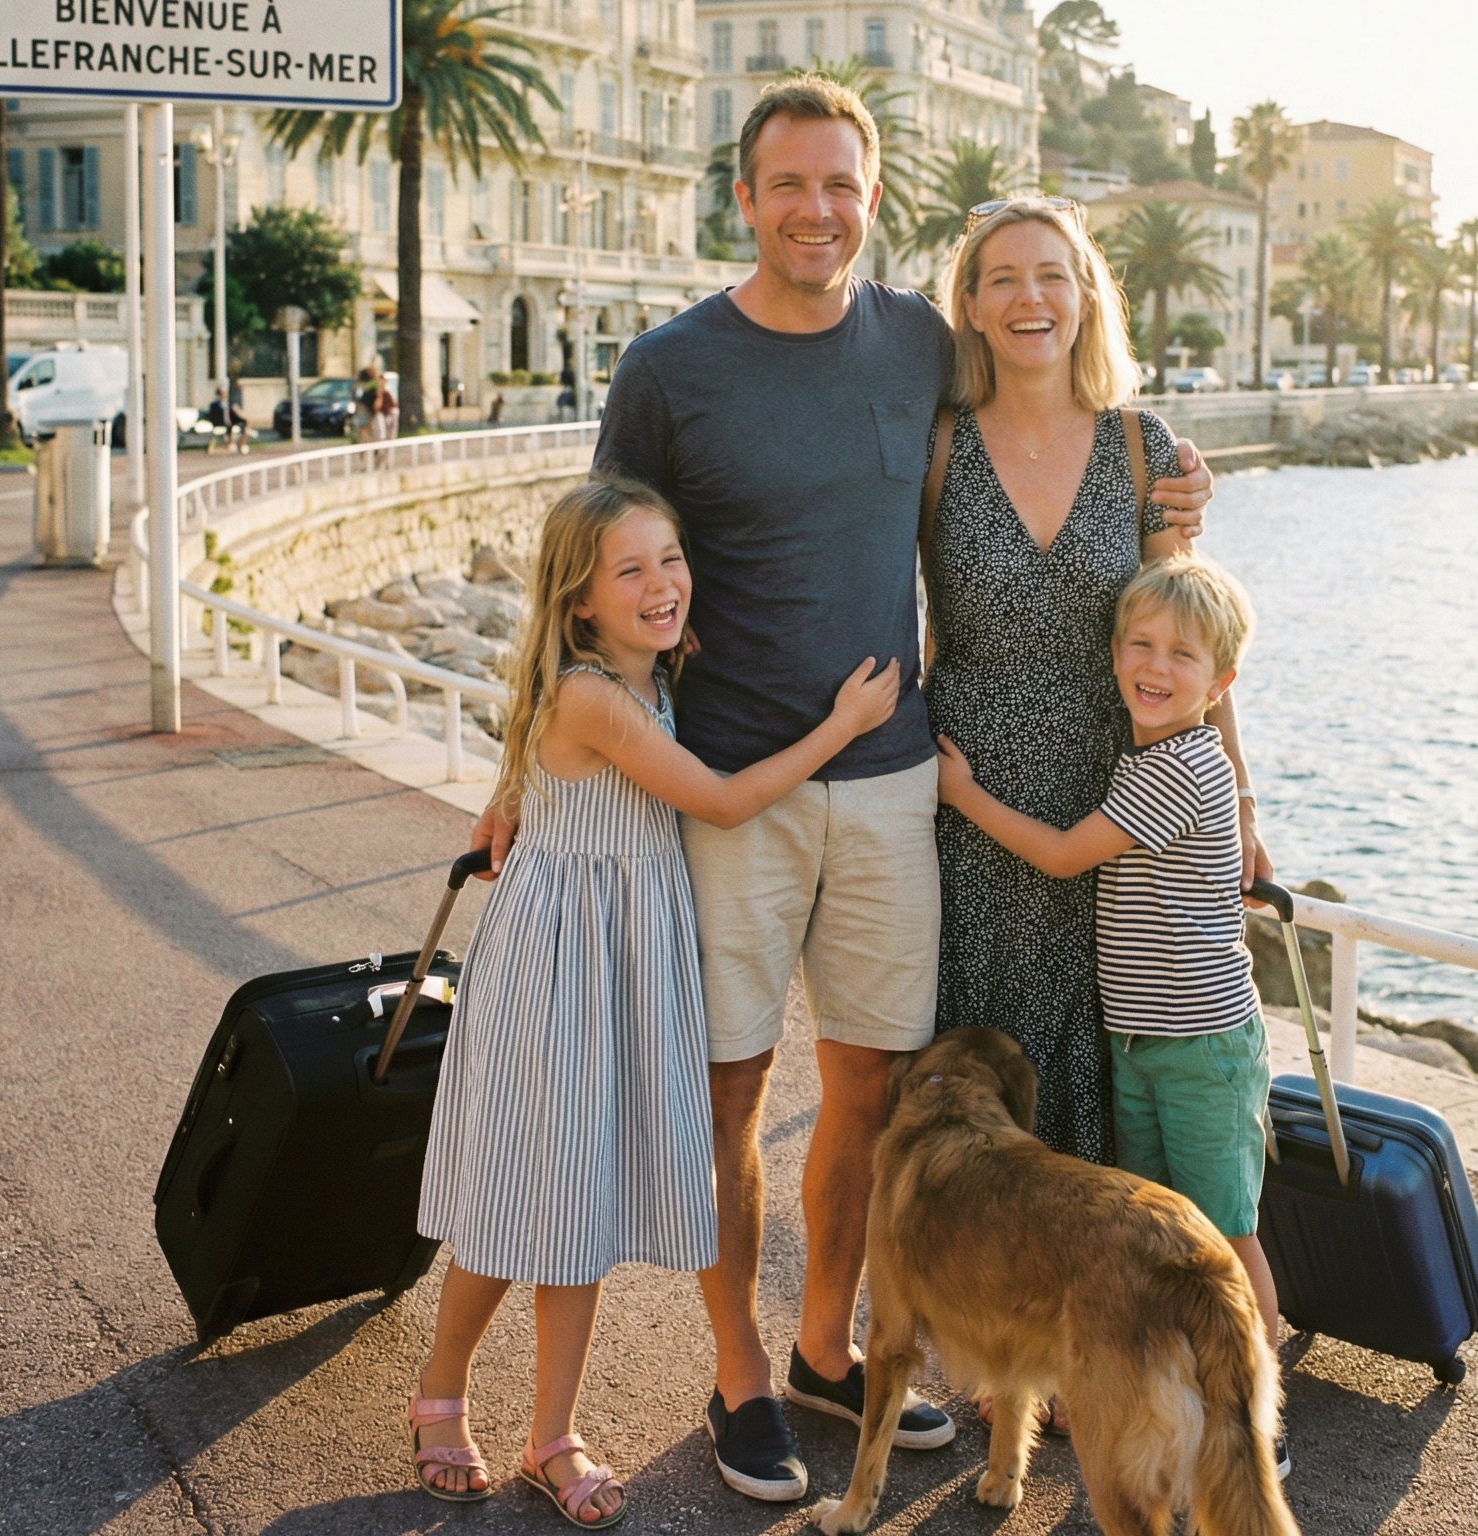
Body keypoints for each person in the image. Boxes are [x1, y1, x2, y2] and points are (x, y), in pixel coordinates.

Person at [486, 75, 1211, 1505]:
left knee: (872, 1093)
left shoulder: (918, 346)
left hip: (896, 785)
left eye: (842, 185)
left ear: (874, 200)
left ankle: (828, 1347)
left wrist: (1175, 486)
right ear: (743, 197)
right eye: (788, 185)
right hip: (730, 791)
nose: (816, 210)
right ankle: (740, 1370)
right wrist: (520, 777)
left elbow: (1045, 399)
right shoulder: (671, 368)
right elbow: (588, 578)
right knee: (730, 1094)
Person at [411, 474, 903, 1516]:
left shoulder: (648, 679)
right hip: (556, 971)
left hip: (610, 965)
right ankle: (439, 1390)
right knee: (512, 1206)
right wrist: (843, 722)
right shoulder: (593, 696)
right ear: (578, 600)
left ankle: (552, 1433)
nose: (661, 583)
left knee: (575, 1206)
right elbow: (720, 802)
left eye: (670, 558)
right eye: (628, 569)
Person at [923, 197, 1270, 1170]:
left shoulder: (1142, 445)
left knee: (1100, 1069)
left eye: (1050, 274)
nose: (1028, 296)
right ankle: (965, 1304)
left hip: (1111, 812)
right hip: (966, 807)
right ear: (972, 305)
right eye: (1001, 278)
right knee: (970, 1068)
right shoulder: (934, 444)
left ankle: (1088, 1312)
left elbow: (1192, 632)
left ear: (1083, 297)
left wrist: (1236, 795)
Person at [934, 552, 1289, 1479]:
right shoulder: (1150, 753)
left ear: (1222, 683)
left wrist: (963, 793)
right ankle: (1180, 1400)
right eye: (1140, 643)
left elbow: (1059, 856)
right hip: (1139, 1042)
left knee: (1224, 1233)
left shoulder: (1176, 770)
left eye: (1183, 654)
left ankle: (1255, 1427)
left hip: (1204, 1049)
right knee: (1160, 1228)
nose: (1156, 666)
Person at [205, 382, 249, 454]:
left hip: (230, 421)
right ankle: (228, 444)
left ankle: (241, 444)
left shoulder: (229, 403)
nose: (224, 395)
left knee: (244, 422)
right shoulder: (214, 405)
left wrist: (237, 412)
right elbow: (213, 415)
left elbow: (233, 414)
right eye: (222, 393)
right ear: (219, 394)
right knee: (229, 426)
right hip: (220, 422)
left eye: (225, 393)